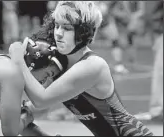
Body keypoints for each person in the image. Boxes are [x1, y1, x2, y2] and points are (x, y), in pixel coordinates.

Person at [9, 1, 154, 136]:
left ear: (82, 33)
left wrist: (18, 60)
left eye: (66, 28)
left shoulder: (92, 66)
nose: (58, 33)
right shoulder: (61, 64)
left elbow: (41, 100)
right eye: (57, 26)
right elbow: (37, 107)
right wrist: (19, 114)